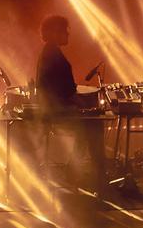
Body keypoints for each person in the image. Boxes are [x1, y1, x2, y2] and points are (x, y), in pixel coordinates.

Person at [34, 15, 105, 194]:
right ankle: (95, 176)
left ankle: (77, 171)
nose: (67, 34)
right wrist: (78, 102)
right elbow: (61, 89)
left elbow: (63, 86)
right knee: (94, 125)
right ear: (53, 32)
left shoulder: (50, 52)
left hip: (55, 107)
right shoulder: (52, 54)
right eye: (64, 30)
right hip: (56, 111)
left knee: (91, 123)